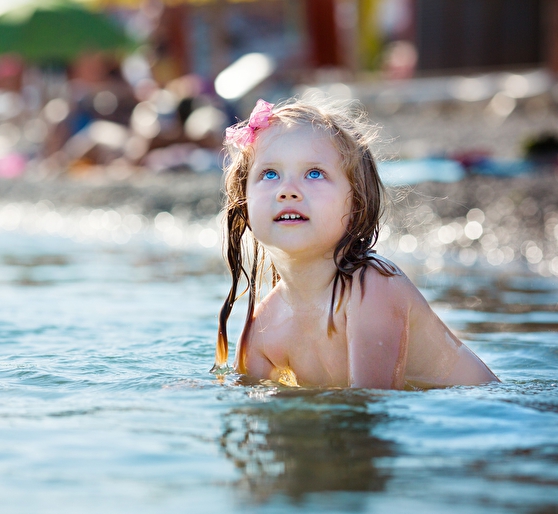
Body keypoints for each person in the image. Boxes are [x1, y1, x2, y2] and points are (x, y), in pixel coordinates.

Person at [214, 98, 499, 390]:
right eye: (269, 174)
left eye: (314, 173)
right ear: (243, 201)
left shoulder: (372, 287)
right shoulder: (262, 330)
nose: (287, 191)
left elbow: (368, 404)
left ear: (356, 202)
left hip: (485, 408)